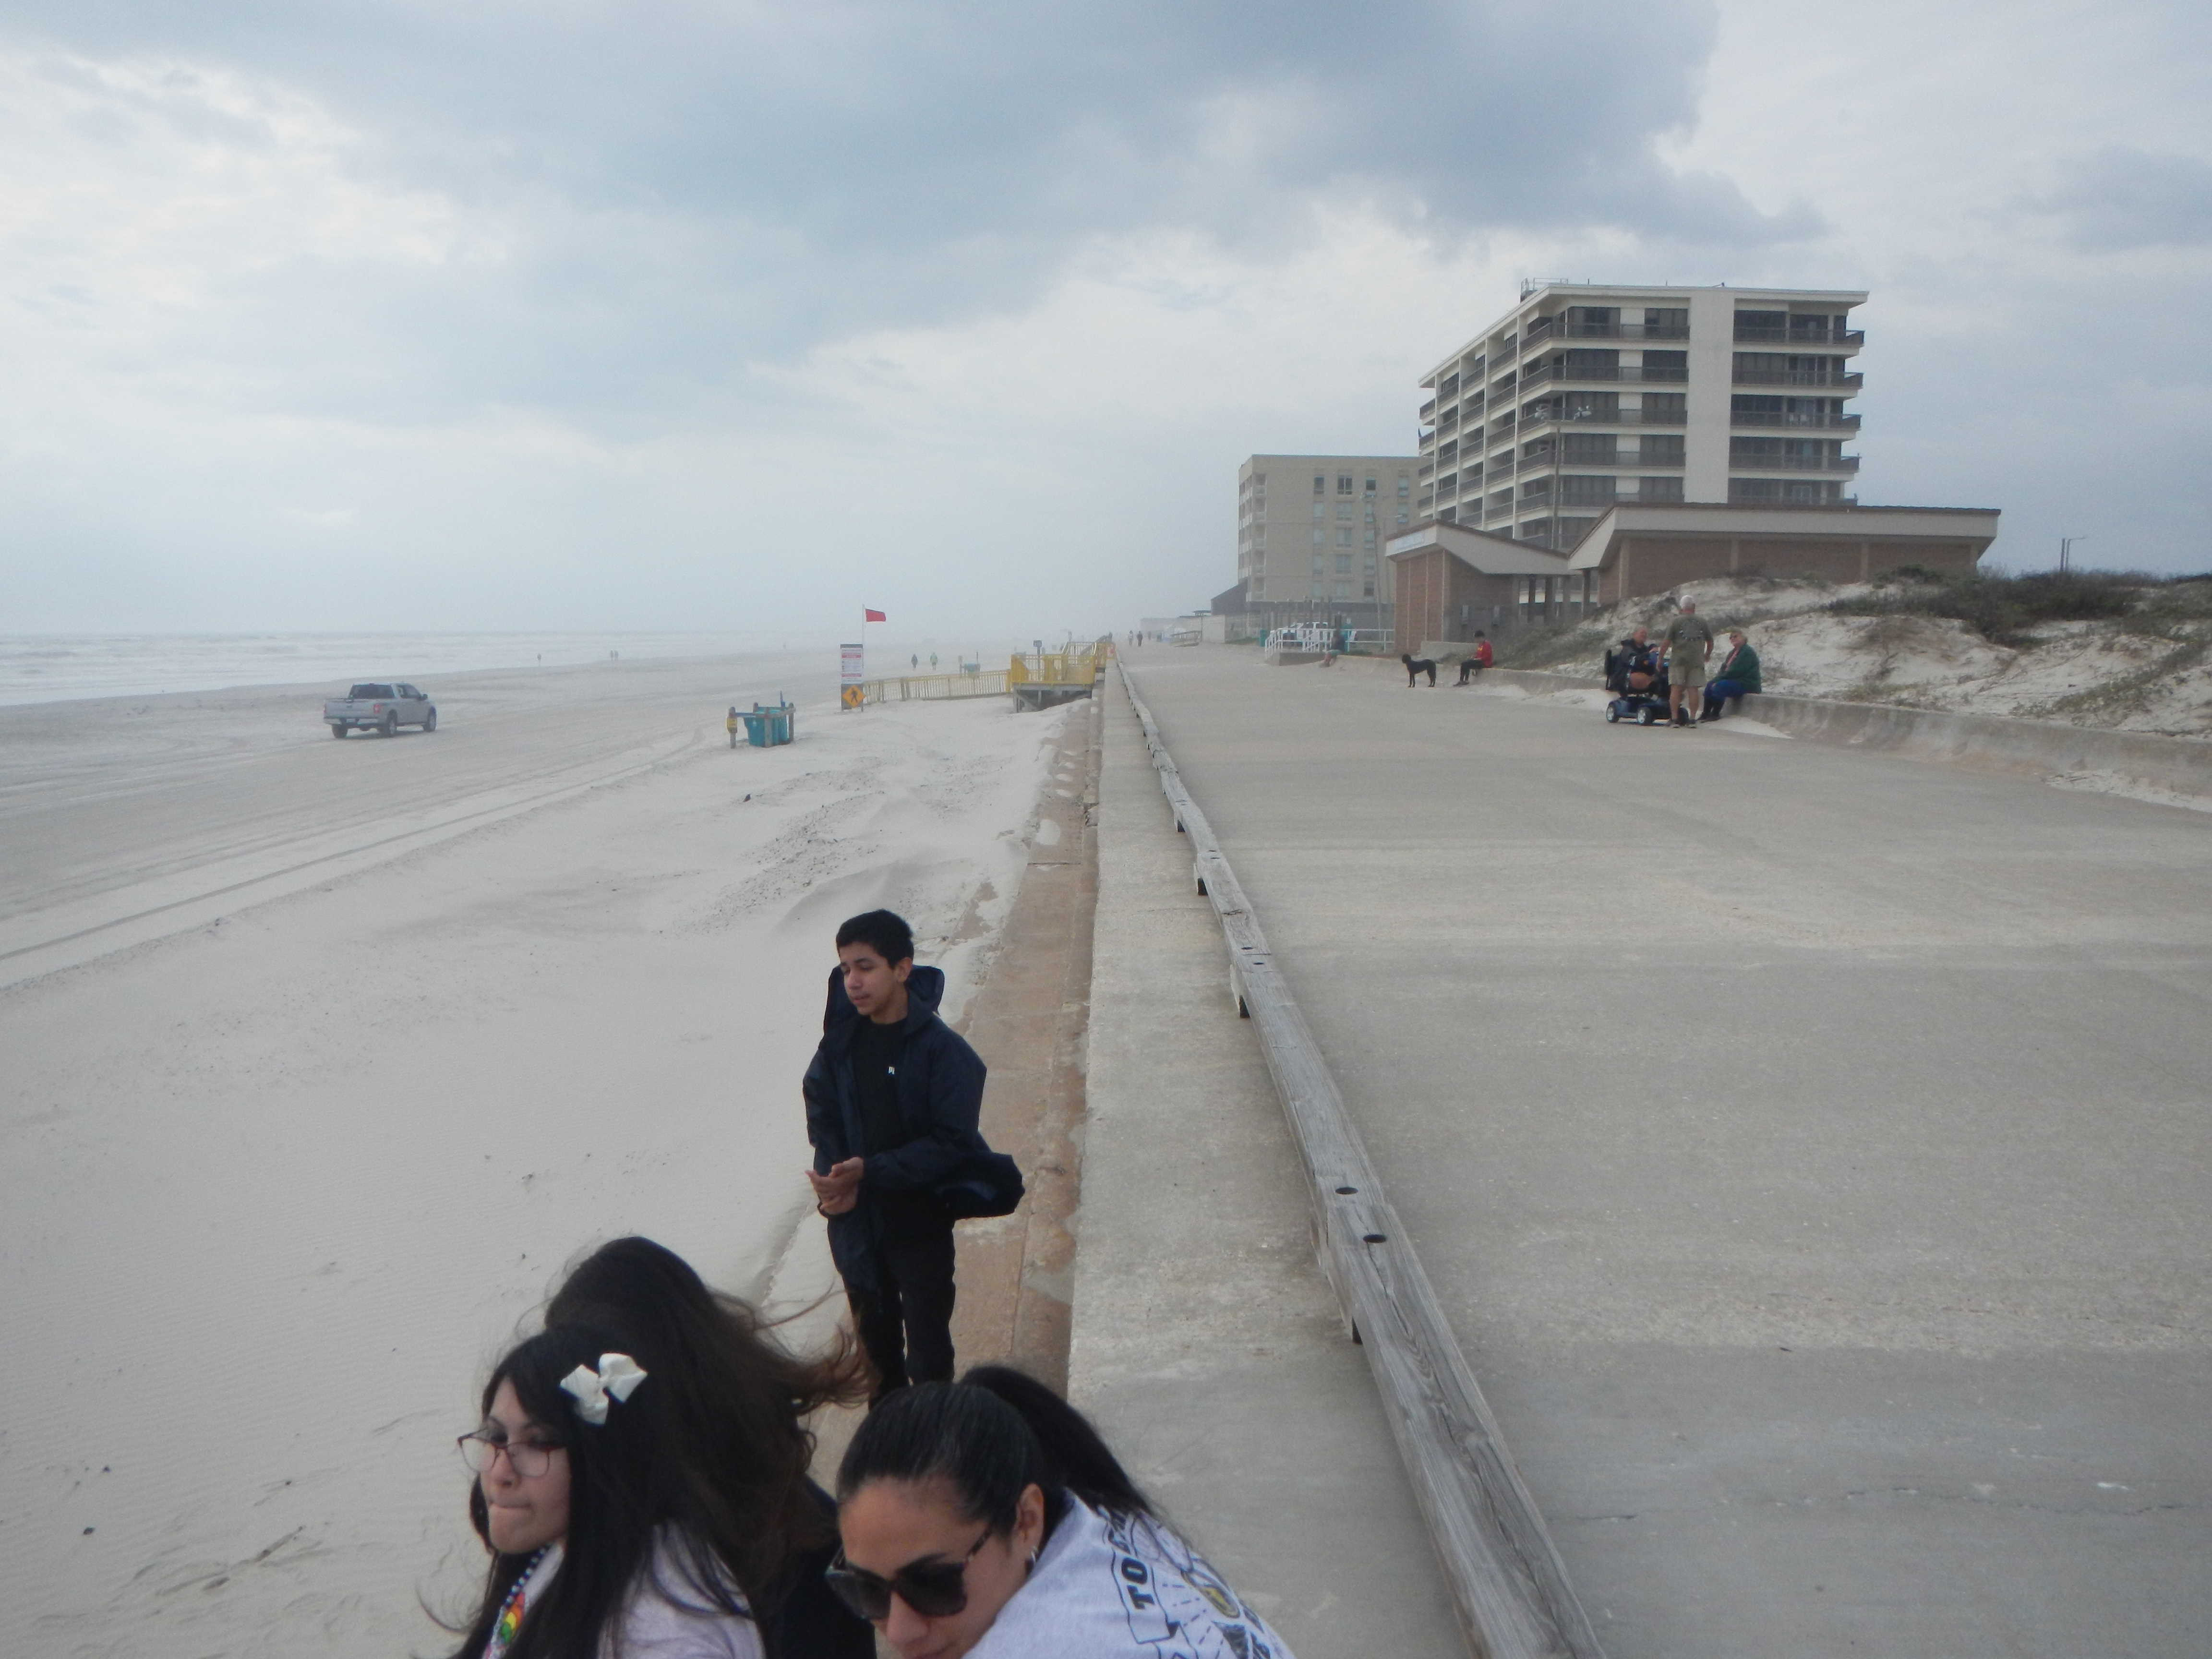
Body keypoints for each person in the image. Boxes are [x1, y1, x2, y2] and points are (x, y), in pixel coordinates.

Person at [444, 1266, 869, 1659]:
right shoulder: (570, 1544)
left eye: (541, 1441)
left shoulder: (691, 1601)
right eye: (495, 1437)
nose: (501, 1471)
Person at [832, 1366, 1297, 1659]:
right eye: (866, 1590)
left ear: (1026, 1521)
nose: (899, 1631)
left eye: (933, 1584)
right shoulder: (1102, 1517)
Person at [804, 910, 989, 1399]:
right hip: (858, 1229)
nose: (853, 981)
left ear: (902, 968)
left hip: (920, 1226)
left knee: (929, 1357)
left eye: (865, 967)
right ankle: (889, 1437)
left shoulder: (943, 1051)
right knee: (877, 1357)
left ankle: (933, 1433)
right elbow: (823, 1117)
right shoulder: (839, 1046)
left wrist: (871, 1170)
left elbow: (953, 1141)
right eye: (845, 969)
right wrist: (833, 1185)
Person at [1660, 598, 1714, 727]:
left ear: (1681, 608)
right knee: (1693, 690)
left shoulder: (1675, 622)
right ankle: (1692, 719)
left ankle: (1675, 719)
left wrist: (1660, 658)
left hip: (1678, 661)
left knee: (1676, 690)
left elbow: (1666, 642)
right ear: (1694, 606)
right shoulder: (1702, 622)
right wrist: (1707, 655)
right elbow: (1710, 642)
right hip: (1696, 661)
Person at [1701, 629, 1762, 721]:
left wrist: (1719, 680)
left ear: (1743, 638)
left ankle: (1715, 714)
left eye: (1736, 636)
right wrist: (1716, 679)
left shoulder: (1747, 652)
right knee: (1710, 685)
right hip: (1735, 680)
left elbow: (1736, 671)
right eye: (1731, 637)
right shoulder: (1733, 652)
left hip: (1747, 683)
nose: (1733, 638)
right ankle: (1705, 713)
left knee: (1720, 686)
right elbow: (1724, 669)